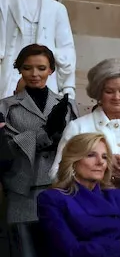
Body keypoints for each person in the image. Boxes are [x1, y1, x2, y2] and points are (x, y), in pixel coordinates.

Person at [0, 44, 76, 225]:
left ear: (51, 70)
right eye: (27, 68)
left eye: (41, 68)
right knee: (25, 250)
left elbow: (77, 146)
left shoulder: (68, 105)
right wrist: (47, 132)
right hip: (23, 190)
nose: (34, 74)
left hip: (62, 187)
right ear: (19, 69)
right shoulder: (6, 106)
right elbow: (9, 147)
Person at [54, 58, 120, 181]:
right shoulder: (78, 127)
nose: (117, 97)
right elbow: (56, 172)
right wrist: (100, 167)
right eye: (109, 91)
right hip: (95, 197)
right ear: (99, 93)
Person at [0, 0, 76, 100]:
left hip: (45, 76)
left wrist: (68, 86)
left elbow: (66, 49)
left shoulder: (56, 9)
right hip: (10, 74)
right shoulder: (3, 2)